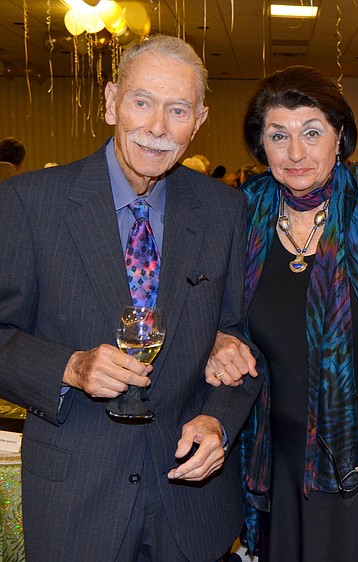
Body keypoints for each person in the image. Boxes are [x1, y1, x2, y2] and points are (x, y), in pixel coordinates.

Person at [0, 35, 261, 561]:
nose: (158, 127)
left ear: (200, 119)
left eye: (178, 110)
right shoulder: (28, 204)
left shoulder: (224, 212)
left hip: (191, 503)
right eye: (142, 102)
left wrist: (218, 420)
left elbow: (243, 339)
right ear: (110, 101)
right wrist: (69, 367)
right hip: (77, 501)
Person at [213, 65, 358, 561]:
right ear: (261, 144)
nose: (296, 153)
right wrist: (217, 341)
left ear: (339, 136)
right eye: (279, 136)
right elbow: (215, 313)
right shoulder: (242, 212)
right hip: (276, 459)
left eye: (312, 133)